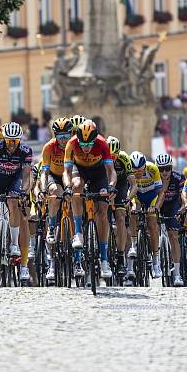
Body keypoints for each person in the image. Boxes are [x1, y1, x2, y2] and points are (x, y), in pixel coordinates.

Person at [62, 119, 116, 279]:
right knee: (76, 186)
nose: (85, 149)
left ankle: (104, 260)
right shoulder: (71, 143)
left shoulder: (102, 143)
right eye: (82, 145)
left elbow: (111, 171)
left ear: (94, 140)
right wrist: (67, 187)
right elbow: (66, 171)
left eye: (89, 145)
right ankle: (78, 232)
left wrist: (112, 186)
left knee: (102, 213)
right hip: (80, 171)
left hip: (98, 173)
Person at [0, 122, 33, 282]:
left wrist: (24, 191)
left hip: (15, 181)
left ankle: (14, 245)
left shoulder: (25, 151)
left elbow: (26, 176)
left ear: (19, 140)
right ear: (4, 139)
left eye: (15, 141)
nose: (11, 144)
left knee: (12, 202)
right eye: (8, 140)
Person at [128, 151, 164, 280]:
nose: (137, 173)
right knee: (132, 213)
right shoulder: (129, 170)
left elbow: (161, 192)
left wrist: (156, 208)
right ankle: (133, 244)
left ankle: (155, 260)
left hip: (152, 198)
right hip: (137, 196)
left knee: (152, 224)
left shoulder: (152, 169)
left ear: (145, 167)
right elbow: (130, 191)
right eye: (135, 171)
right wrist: (132, 205)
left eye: (140, 171)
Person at [40, 118, 73, 247]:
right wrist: (43, 189)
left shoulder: (74, 146)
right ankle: (52, 228)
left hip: (70, 177)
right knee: (55, 191)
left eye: (66, 136)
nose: (64, 140)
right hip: (54, 177)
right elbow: (44, 172)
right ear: (55, 136)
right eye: (60, 137)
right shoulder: (49, 147)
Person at [107, 136, 136, 282]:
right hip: (105, 187)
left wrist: (128, 199)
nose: (112, 159)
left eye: (114, 156)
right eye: (109, 156)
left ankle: (120, 257)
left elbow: (134, 184)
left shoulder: (124, 158)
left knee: (120, 217)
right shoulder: (100, 155)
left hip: (121, 188)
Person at [156, 153, 184, 286]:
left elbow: (184, 196)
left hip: (174, 205)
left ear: (171, 167)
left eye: (167, 168)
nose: (165, 172)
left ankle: (177, 273)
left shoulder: (178, 178)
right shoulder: (155, 177)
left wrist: (183, 207)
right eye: (161, 169)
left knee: (173, 236)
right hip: (159, 205)